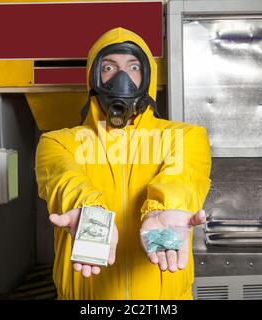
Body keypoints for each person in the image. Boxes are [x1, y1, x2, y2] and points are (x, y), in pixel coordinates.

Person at [35, 27, 212, 300]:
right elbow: (66, 181)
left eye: (133, 67)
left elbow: (183, 179)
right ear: (94, 77)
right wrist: (90, 214)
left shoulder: (186, 138)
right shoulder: (58, 143)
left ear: (147, 78)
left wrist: (165, 209)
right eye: (109, 67)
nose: (122, 78)